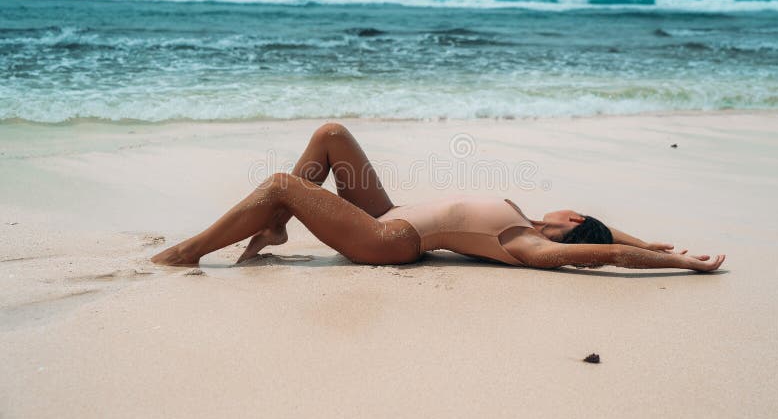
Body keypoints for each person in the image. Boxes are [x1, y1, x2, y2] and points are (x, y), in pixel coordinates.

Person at [152, 123, 725, 272]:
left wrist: (672, 262)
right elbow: (608, 237)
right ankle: (275, 226)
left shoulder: (527, 242)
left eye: (572, 212)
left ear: (570, 220)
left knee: (281, 184)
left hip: (391, 239)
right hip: (389, 212)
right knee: (331, 136)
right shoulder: (529, 221)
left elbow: (605, 253)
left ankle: (189, 252)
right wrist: (648, 238)